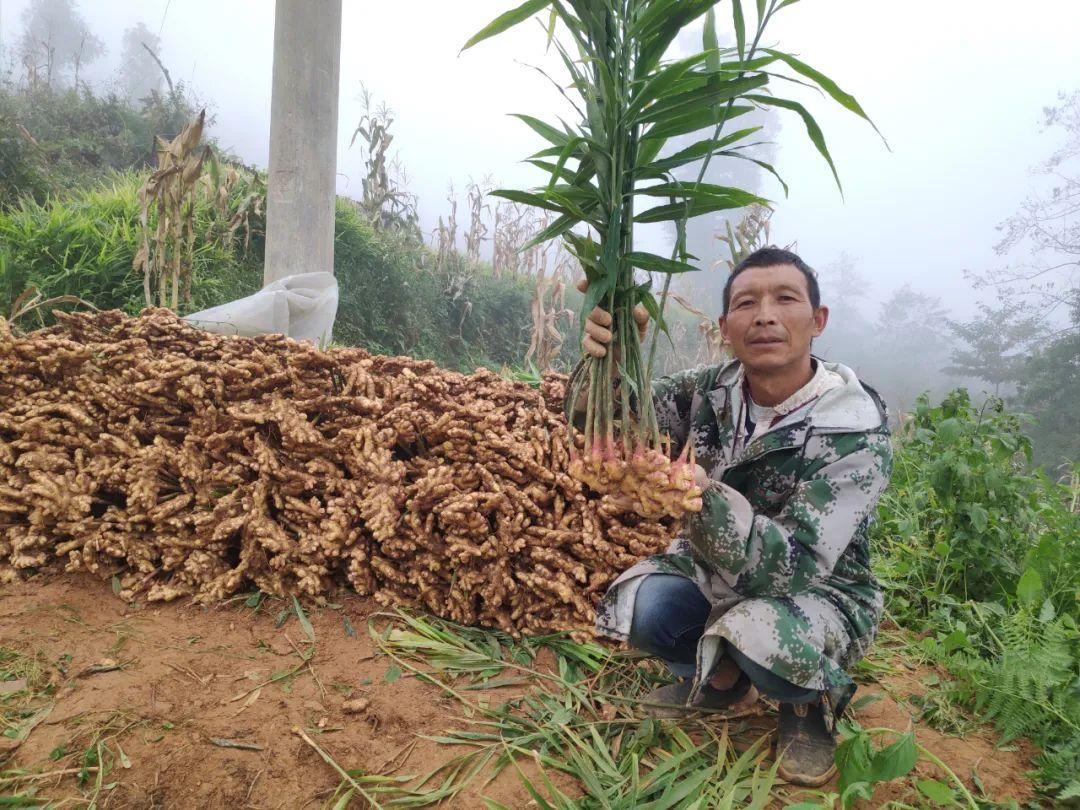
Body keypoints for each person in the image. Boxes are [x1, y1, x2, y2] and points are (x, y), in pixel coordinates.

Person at [572, 247, 892, 787]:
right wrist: (612, 357)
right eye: (746, 303)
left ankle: (807, 702)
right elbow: (613, 417)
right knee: (643, 607)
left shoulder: (854, 430)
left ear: (817, 321)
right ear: (724, 327)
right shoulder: (711, 390)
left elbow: (795, 565)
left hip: (819, 592)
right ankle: (722, 681)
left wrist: (704, 497)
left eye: (785, 299)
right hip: (715, 570)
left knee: (761, 637)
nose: (764, 314)